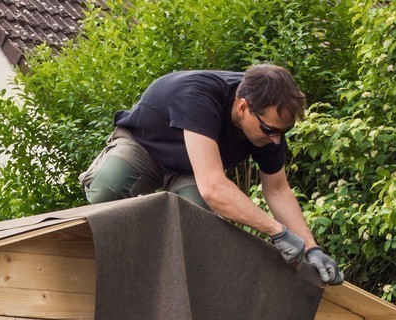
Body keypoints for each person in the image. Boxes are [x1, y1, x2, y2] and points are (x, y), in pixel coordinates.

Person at [80, 64, 342, 285]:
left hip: (191, 169)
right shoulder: (198, 96)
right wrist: (278, 232)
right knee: (109, 187)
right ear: (242, 107)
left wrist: (312, 248)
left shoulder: (268, 129)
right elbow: (214, 187)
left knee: (200, 226)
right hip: (144, 147)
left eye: (281, 133)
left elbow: (277, 190)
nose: (275, 140)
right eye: (270, 129)